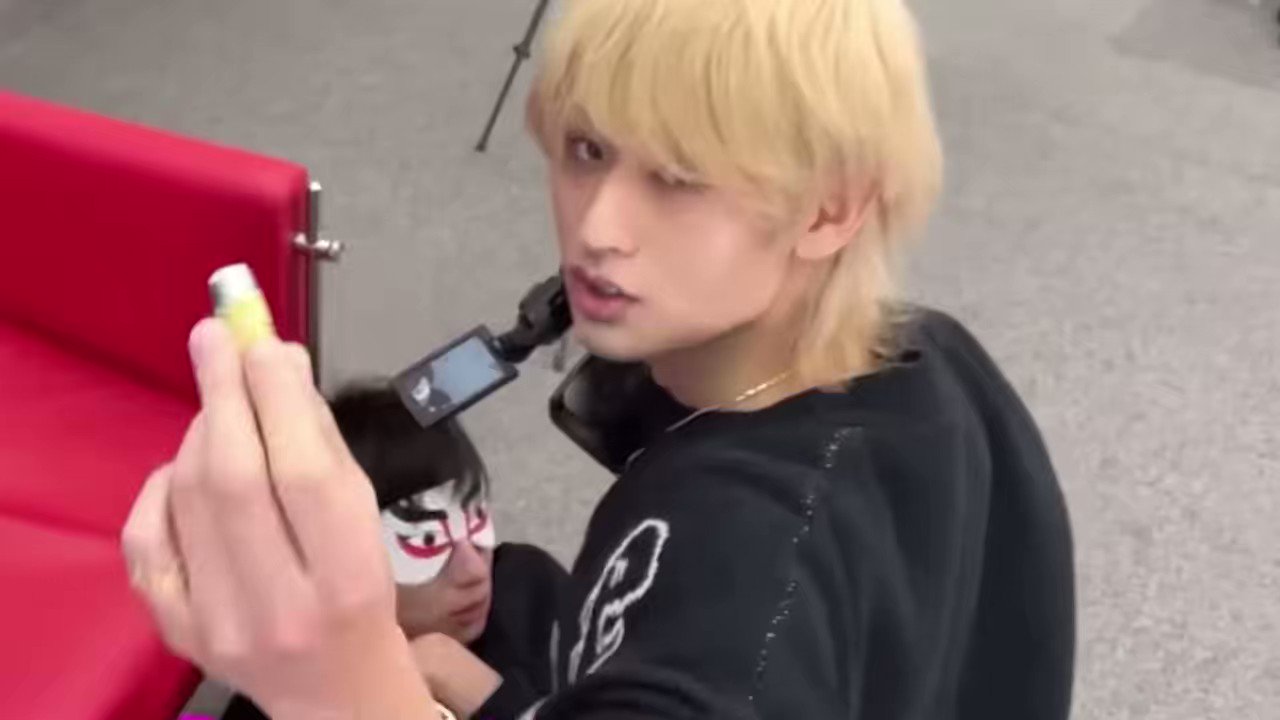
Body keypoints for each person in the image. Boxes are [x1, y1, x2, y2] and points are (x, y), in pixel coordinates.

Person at [123, 1, 1075, 718]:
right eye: (587, 149)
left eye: (680, 176)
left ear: (829, 207)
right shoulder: (931, 354)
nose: (599, 227)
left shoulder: (733, 578)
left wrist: (344, 690)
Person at [220, 383, 567, 720]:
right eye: (425, 541)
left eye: (473, 517)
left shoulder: (528, 590)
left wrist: (482, 695)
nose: (474, 571)